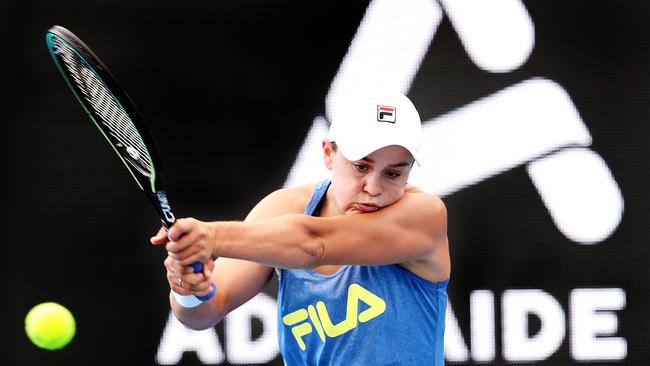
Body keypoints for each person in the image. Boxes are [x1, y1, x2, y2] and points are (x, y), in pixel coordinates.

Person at [150, 90, 451, 365]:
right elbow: (206, 312)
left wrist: (211, 237)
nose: (373, 187)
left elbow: (314, 243)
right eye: (361, 166)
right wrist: (189, 289)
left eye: (393, 173)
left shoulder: (425, 216)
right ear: (328, 154)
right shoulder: (282, 209)